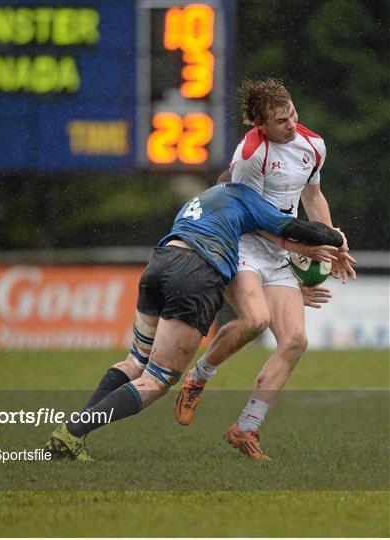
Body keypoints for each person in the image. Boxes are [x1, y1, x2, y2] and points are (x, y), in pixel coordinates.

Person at [45, 181, 348, 462]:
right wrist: (337, 239)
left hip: (161, 263)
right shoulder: (244, 195)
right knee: (157, 379)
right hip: (194, 275)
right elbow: (291, 227)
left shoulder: (203, 198)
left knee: (135, 361)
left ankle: (70, 433)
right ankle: (72, 433)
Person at [174, 78, 356, 460]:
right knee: (255, 321)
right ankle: (199, 377)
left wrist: (332, 242)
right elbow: (246, 216)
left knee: (295, 340)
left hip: (280, 250)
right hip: (241, 244)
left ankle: (246, 428)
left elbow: (312, 196)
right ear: (260, 125)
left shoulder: (313, 146)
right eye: (281, 120)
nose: (291, 124)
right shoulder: (251, 154)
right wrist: (303, 244)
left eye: (292, 113)